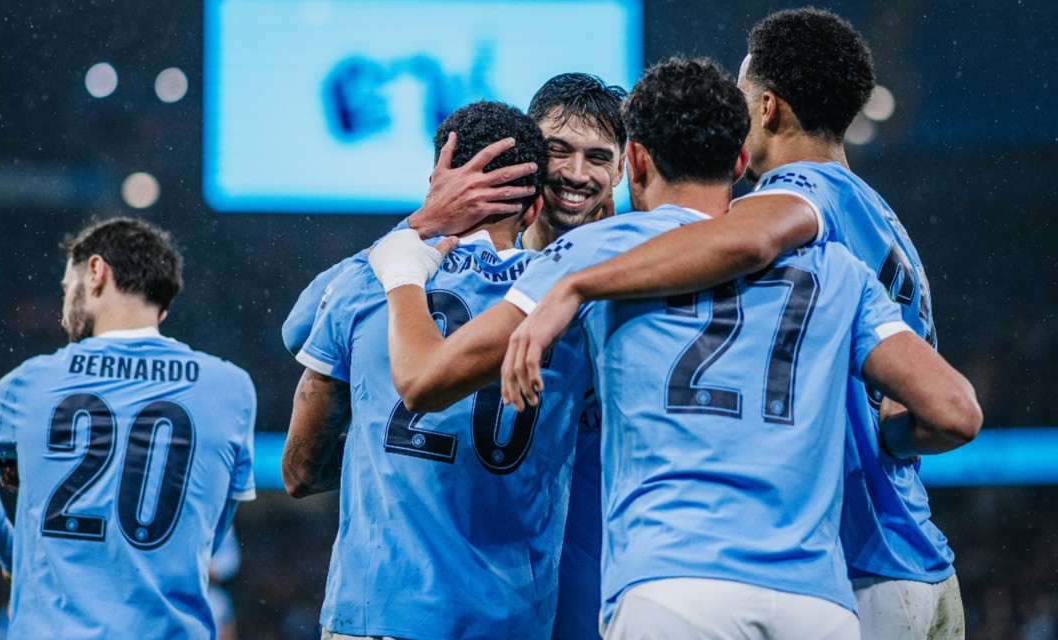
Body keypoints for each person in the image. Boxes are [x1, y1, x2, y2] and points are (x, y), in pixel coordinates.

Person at [368, 56, 981, 639]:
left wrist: (402, 270)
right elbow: (955, 412)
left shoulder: (599, 256)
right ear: (741, 162)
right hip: (815, 596)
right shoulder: (834, 267)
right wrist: (870, 437)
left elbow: (424, 380)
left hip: (670, 582)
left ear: (632, 164)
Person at [281, 73, 628, 639]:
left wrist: (414, 232)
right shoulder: (591, 297)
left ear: (620, 171)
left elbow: (305, 335)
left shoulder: (389, 273)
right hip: (513, 607)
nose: (575, 173)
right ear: (529, 169)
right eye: (557, 152)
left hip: (560, 592)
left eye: (597, 157)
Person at [0, 218, 257, 639]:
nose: (65, 300)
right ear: (160, 306)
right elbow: (212, 534)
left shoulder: (30, 382)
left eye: (66, 287)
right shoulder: (230, 388)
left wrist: (12, 554)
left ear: (95, 272)